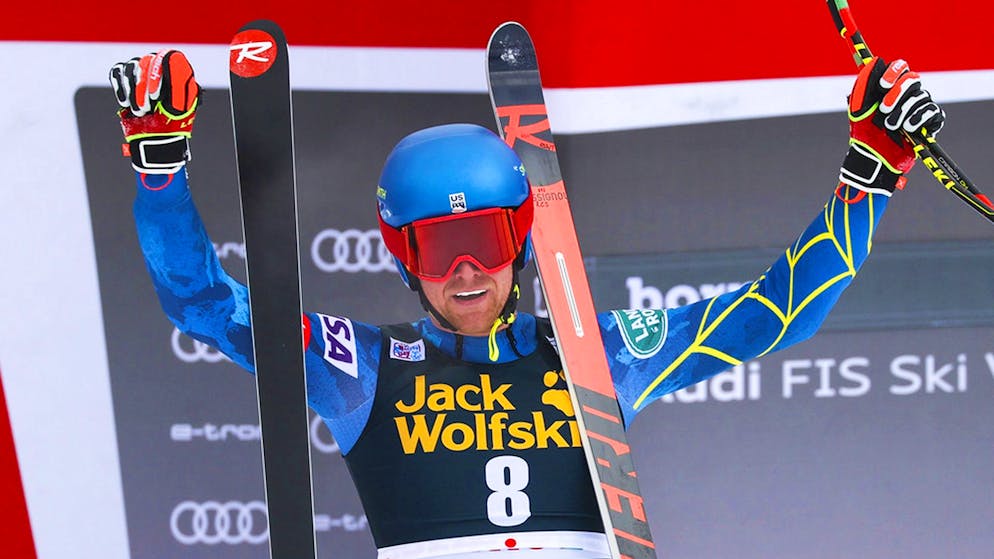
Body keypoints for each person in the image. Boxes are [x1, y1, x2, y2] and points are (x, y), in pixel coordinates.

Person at [109, 48, 944, 558]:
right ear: (402, 254)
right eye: (439, 247)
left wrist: (866, 176)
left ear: (522, 238)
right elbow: (202, 301)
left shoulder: (597, 352)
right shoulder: (357, 367)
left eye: (486, 243)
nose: (466, 270)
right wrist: (158, 169)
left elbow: (774, 314)